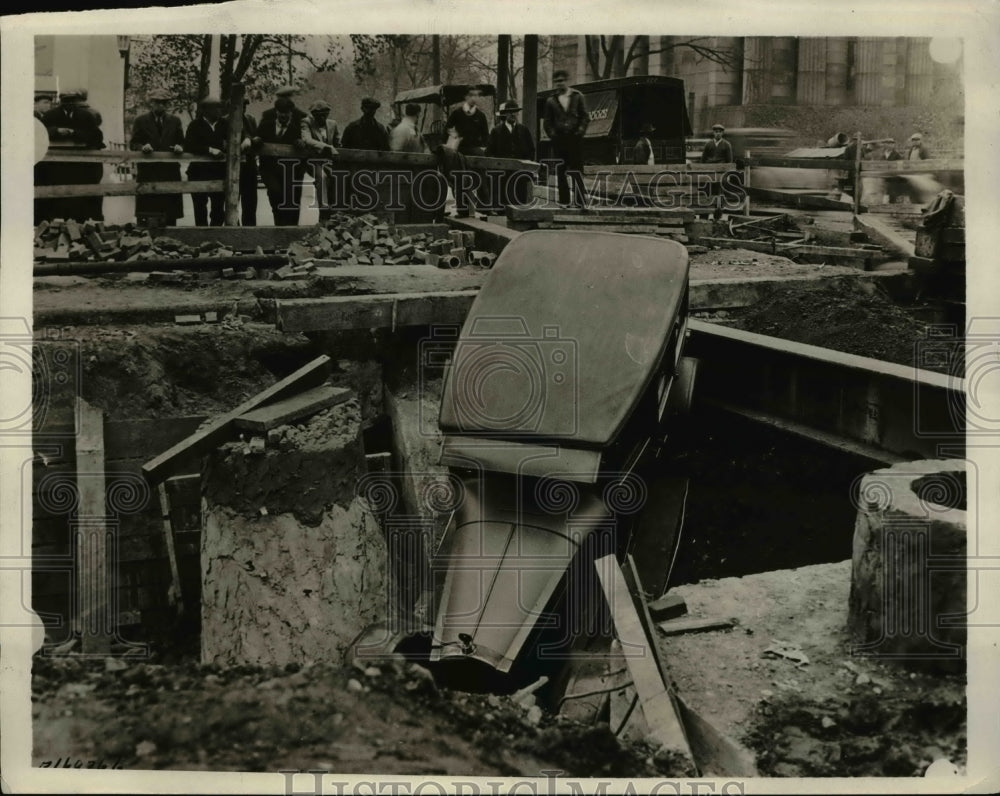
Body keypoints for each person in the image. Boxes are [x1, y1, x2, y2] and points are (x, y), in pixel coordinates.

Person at [42, 89, 106, 222]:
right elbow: (40, 132)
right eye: (65, 101)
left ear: (75, 102)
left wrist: (74, 133)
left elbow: (96, 136)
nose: (69, 104)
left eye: (71, 101)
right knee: (58, 192)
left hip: (78, 164)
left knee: (77, 194)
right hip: (57, 164)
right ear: (60, 101)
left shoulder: (86, 116)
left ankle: (78, 221)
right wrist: (56, 131)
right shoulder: (49, 115)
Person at [129, 88, 185, 225]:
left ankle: (171, 238)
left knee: (169, 207)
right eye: (157, 102)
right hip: (149, 170)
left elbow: (182, 141)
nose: (161, 105)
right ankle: (144, 236)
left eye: (164, 103)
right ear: (151, 103)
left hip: (169, 170)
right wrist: (142, 147)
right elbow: (133, 143)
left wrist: (180, 147)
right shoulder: (140, 121)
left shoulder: (175, 121)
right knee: (147, 206)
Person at [542, 70, 589, 208]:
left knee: (577, 170)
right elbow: (547, 121)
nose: (559, 83)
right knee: (561, 171)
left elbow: (585, 116)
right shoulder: (551, 101)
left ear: (567, 81)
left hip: (575, 138)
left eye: (562, 80)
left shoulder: (577, 96)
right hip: (560, 139)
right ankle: (564, 201)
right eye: (557, 81)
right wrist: (553, 135)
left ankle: (580, 201)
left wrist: (580, 131)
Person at [257, 96, 305, 225]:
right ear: (276, 112)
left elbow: (305, 144)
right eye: (281, 112)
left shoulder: (297, 128)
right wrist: (257, 140)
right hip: (269, 170)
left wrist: (300, 143)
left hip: (291, 171)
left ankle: (291, 230)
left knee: (292, 201)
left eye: (287, 112)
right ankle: (279, 225)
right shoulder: (266, 125)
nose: (284, 115)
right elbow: (256, 138)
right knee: (275, 193)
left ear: (291, 113)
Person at [183, 95, 228, 226]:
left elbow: (233, 141)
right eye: (216, 108)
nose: (219, 111)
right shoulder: (195, 125)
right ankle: (201, 235)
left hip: (219, 173)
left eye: (220, 108)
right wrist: (209, 150)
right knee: (199, 206)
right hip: (198, 173)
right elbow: (189, 145)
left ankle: (216, 235)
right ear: (206, 110)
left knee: (218, 208)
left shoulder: (225, 124)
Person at [485, 99, 536, 207]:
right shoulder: (496, 131)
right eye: (510, 112)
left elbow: (531, 150)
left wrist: (527, 165)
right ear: (505, 114)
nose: (513, 114)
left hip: (520, 172)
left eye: (515, 111)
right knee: (504, 201)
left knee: (520, 200)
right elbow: (489, 152)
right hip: (503, 173)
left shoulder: (524, 130)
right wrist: (498, 167)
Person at [300, 99, 340, 220]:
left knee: (338, 178)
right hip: (313, 161)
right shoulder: (306, 122)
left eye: (325, 114)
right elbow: (307, 139)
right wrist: (327, 147)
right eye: (318, 115)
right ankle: (324, 210)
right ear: (313, 115)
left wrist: (337, 149)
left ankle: (335, 213)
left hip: (329, 162)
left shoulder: (332, 124)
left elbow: (338, 142)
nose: (322, 117)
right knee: (322, 177)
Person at [446, 86, 490, 156]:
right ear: (465, 97)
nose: (473, 98)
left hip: (476, 150)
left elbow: (485, 135)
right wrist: (455, 137)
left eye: (476, 95)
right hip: (459, 149)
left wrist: (484, 147)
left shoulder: (481, 116)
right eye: (470, 95)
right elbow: (448, 129)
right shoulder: (457, 113)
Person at [240, 98, 260, 226]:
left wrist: (250, 139)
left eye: (244, 106)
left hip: (249, 165)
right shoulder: (225, 120)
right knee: (231, 202)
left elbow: (256, 135)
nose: (243, 109)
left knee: (250, 202)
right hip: (231, 167)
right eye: (241, 106)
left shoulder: (250, 119)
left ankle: (249, 229)